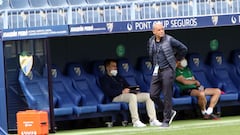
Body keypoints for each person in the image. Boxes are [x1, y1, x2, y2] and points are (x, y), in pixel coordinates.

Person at [100, 59, 162, 127]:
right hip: (115, 97)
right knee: (132, 96)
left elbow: (128, 86)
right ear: (107, 67)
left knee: (148, 96)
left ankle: (153, 120)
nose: (115, 68)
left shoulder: (119, 77)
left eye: (116, 66)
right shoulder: (104, 79)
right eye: (113, 66)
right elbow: (108, 92)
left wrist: (134, 90)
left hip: (127, 95)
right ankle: (135, 121)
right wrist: (121, 91)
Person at [147, 22, 188, 127]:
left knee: (167, 94)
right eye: (159, 30)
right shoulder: (151, 41)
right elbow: (151, 54)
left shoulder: (169, 39)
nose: (161, 31)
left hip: (168, 69)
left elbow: (183, 48)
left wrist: (176, 60)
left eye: (162, 29)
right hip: (157, 70)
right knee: (153, 95)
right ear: (154, 31)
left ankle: (166, 120)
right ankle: (169, 111)